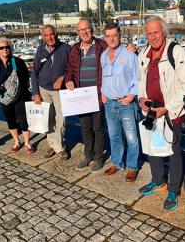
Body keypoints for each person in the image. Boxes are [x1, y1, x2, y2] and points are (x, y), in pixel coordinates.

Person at [138, 16, 185, 210]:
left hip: (172, 112)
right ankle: (157, 180)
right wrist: (141, 99)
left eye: (156, 32)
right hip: (152, 110)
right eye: (149, 33)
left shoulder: (176, 52)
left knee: (174, 153)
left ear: (163, 32)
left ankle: (173, 189)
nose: (153, 37)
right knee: (153, 147)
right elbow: (140, 81)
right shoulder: (143, 54)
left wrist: (168, 107)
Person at [64, 18, 107, 172]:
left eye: (87, 28)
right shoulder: (75, 49)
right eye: (81, 30)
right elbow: (70, 70)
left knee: (98, 128)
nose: (85, 32)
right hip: (82, 98)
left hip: (98, 95)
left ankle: (98, 157)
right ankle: (87, 156)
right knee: (86, 128)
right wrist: (68, 80)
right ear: (78, 32)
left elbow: (116, 54)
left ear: (92, 29)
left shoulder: (102, 46)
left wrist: (130, 49)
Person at [100, 23, 139, 182]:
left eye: (114, 35)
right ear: (105, 38)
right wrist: (103, 92)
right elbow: (103, 76)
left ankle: (132, 167)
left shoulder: (130, 55)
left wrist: (131, 96)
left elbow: (138, 78)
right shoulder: (103, 55)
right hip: (109, 103)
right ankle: (117, 162)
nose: (111, 39)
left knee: (131, 137)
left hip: (126, 104)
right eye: (108, 36)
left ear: (120, 35)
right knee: (114, 135)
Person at [0, 38, 34, 154]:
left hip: (20, 96)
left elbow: (25, 78)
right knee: (10, 119)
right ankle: (17, 142)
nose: (4, 50)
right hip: (4, 98)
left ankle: (27, 142)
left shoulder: (17, 61)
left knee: (23, 119)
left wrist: (29, 94)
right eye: (1, 48)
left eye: (7, 47)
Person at [31, 25, 71, 159]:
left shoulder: (65, 48)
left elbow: (72, 68)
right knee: (48, 119)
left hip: (60, 90)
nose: (50, 37)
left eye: (52, 34)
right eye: (46, 35)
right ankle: (52, 144)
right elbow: (34, 72)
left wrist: (62, 77)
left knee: (62, 118)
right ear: (43, 37)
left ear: (56, 34)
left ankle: (59, 146)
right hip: (43, 89)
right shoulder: (40, 49)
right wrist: (35, 92)